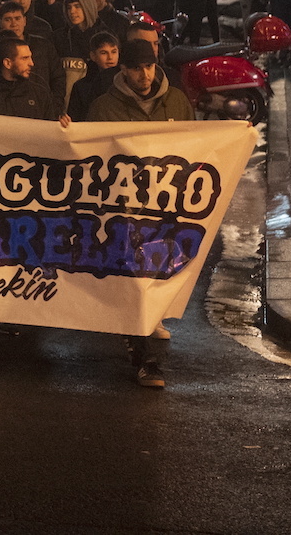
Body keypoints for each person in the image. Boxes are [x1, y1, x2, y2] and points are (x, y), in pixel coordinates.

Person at [84, 39, 193, 389]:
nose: (144, 74)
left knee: (154, 273)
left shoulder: (176, 101)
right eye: (136, 68)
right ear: (124, 71)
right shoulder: (104, 108)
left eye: (149, 66)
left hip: (164, 209)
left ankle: (140, 333)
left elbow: (195, 146)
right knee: (133, 277)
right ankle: (146, 358)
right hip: (123, 211)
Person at [0, 40, 70, 123]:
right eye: (24, 58)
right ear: (7, 63)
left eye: (30, 57)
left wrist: (59, 123)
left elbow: (50, 131)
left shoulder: (40, 93)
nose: (31, 63)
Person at [66, 32, 122, 122]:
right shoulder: (81, 87)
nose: (110, 57)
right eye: (104, 53)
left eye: (114, 52)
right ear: (93, 56)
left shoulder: (126, 82)